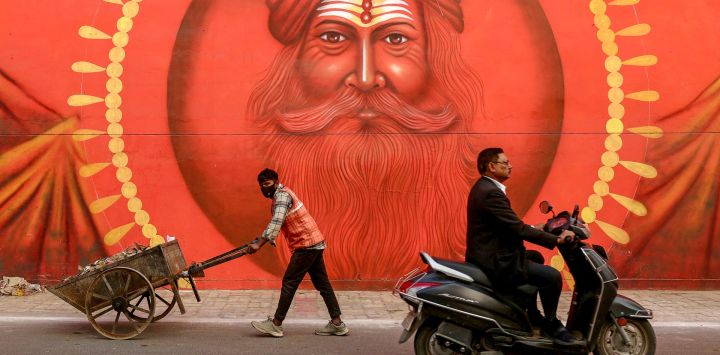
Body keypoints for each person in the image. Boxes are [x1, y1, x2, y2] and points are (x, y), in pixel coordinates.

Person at [465, 147, 580, 346]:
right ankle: (551, 323)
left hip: (491, 254)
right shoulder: (490, 193)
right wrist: (557, 240)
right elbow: (517, 229)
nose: (510, 166)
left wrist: (543, 227)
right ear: (492, 166)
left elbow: (509, 224)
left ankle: (531, 313)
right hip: (496, 261)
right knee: (551, 277)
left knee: (535, 257)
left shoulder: (485, 188)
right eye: (505, 163)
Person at [247, 168, 349, 337]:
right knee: (322, 284)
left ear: (276, 182)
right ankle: (337, 323)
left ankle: (276, 324)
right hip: (314, 242)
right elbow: (278, 223)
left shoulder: (281, 196)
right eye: (262, 185)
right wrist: (259, 239)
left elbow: (277, 221)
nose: (265, 188)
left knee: (289, 282)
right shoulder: (282, 194)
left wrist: (260, 244)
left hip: (306, 245)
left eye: (267, 184)